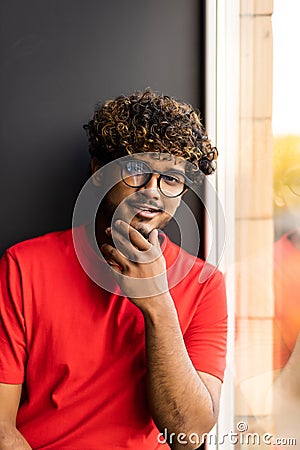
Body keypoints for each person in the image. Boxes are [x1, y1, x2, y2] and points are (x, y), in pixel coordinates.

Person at [0, 89, 227, 450]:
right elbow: (1, 428)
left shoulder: (205, 284)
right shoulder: (23, 266)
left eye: (170, 179)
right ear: (99, 171)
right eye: (137, 170)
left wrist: (157, 303)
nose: (153, 192)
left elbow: (189, 436)